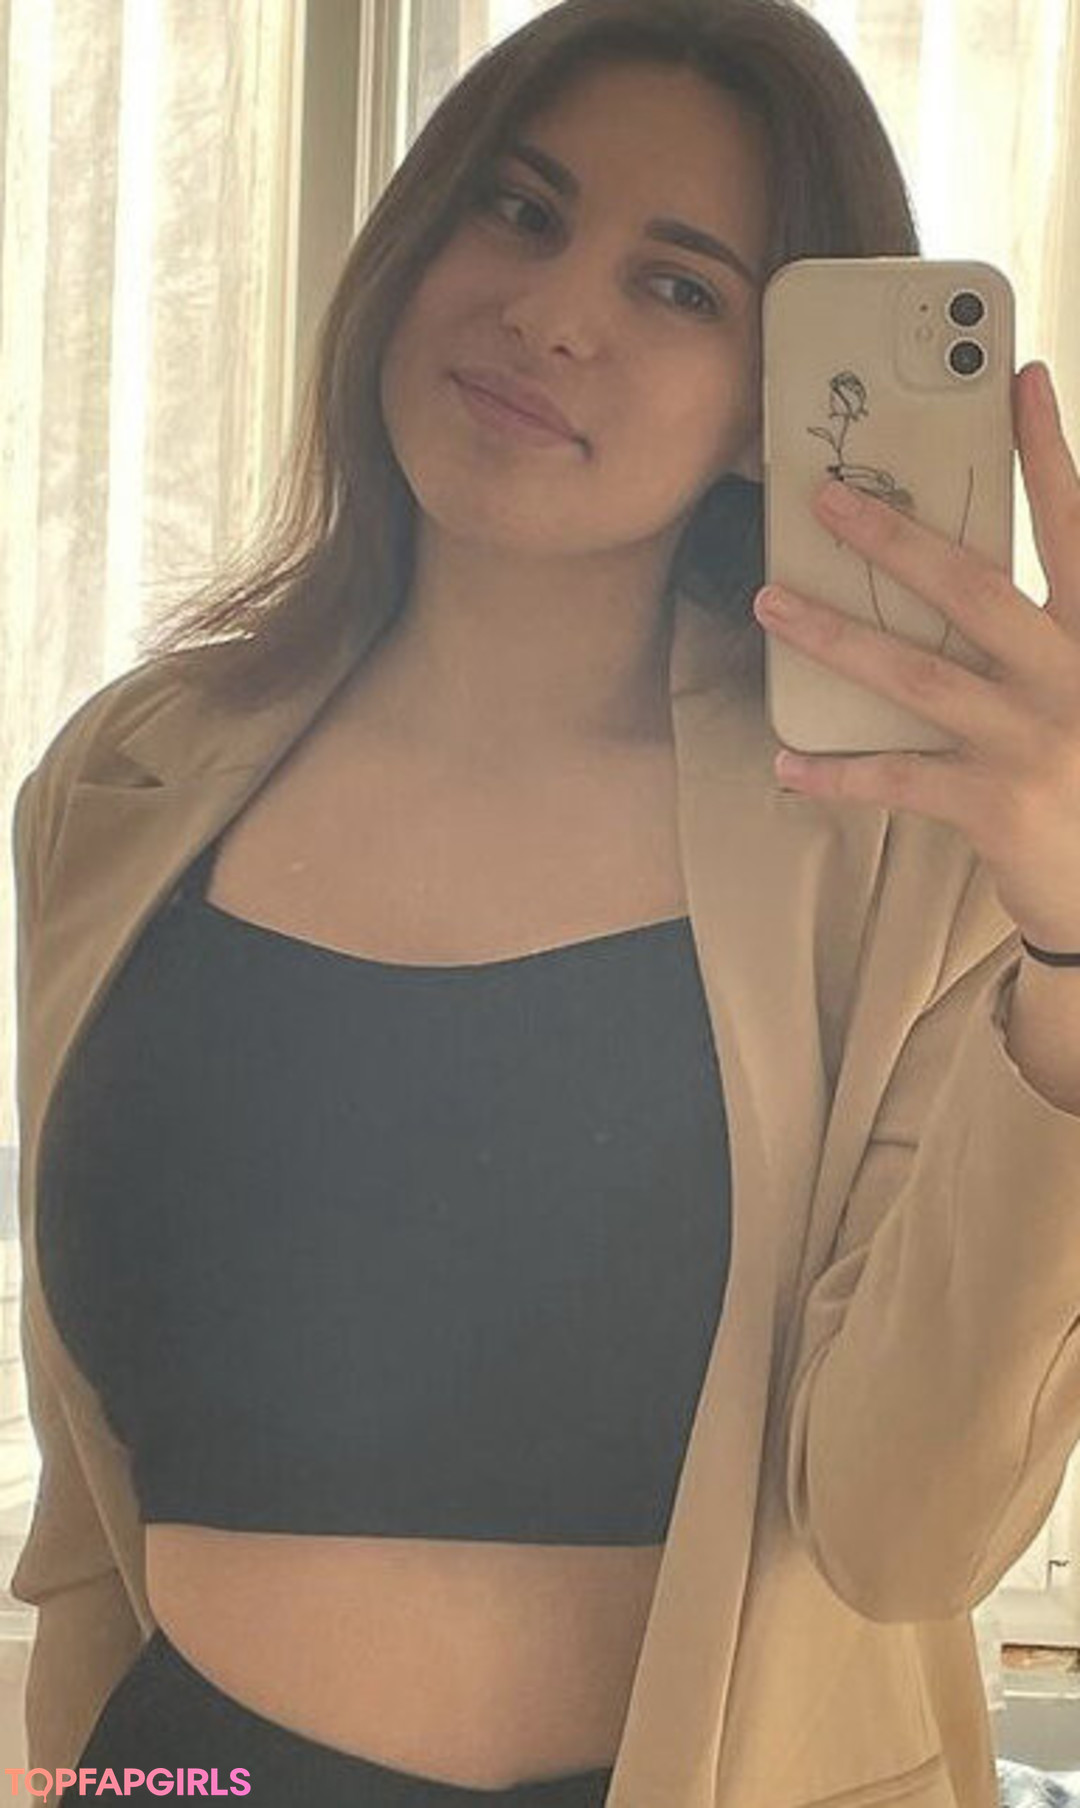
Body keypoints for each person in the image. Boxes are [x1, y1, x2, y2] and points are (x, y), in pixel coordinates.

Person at [11, 1, 1080, 1805]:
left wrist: (1071, 946)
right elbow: (88, 1497)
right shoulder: (128, 780)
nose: (555, 312)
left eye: (678, 286)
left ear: (770, 406)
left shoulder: (907, 847)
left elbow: (906, 1536)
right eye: (518, 209)